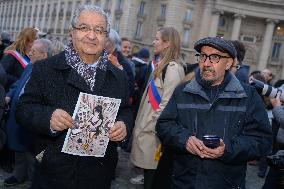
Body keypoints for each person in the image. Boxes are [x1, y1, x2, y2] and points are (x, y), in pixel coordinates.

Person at [15, 4, 132, 189]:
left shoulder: (119, 76)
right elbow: (23, 109)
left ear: (106, 37)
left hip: (98, 175)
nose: (92, 36)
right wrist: (48, 117)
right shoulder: (45, 69)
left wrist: (124, 126)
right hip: (53, 174)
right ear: (72, 32)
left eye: (99, 30)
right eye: (84, 28)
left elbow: (126, 110)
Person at [156, 37, 272, 189]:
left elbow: (262, 140)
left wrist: (227, 149)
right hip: (184, 182)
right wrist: (185, 140)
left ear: (229, 63)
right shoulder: (182, 91)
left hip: (226, 183)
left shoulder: (248, 96)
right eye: (203, 56)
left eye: (215, 57)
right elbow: (164, 125)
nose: (206, 63)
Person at [130, 27, 185, 189]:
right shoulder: (162, 65)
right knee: (148, 171)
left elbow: (167, 103)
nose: (153, 42)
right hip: (148, 128)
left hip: (154, 132)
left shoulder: (173, 68)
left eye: (157, 39)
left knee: (152, 175)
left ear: (167, 43)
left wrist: (151, 126)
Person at [3, 39, 52, 187]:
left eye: (34, 51)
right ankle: (19, 175)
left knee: (32, 152)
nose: (29, 53)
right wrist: (9, 95)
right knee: (18, 147)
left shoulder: (48, 72)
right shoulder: (30, 66)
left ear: (44, 55)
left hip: (33, 118)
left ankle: (33, 179)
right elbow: (18, 84)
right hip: (18, 115)